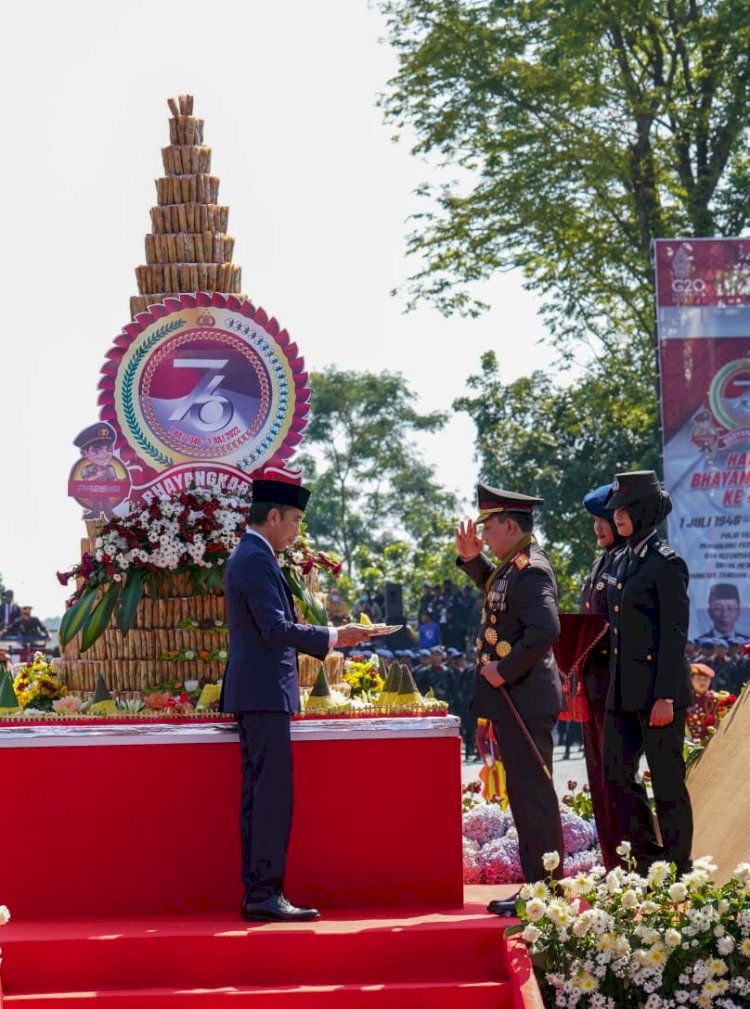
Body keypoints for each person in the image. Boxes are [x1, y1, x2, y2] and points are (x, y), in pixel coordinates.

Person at [220, 478, 373, 923]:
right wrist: (334, 636)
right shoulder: (253, 559)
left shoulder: (255, 556)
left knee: (263, 795)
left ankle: (262, 890)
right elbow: (274, 629)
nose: (296, 532)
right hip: (263, 695)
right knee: (270, 797)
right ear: (272, 517)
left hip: (261, 694)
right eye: (294, 521)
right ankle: (265, 892)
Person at [456, 483, 564, 915]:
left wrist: (503, 669)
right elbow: (499, 595)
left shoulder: (532, 568)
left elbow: (545, 630)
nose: (486, 534)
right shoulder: (512, 567)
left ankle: (545, 892)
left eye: (489, 527)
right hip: (515, 700)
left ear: (509, 525)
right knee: (523, 793)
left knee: (533, 794)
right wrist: (471, 559)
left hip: (525, 698)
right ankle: (538, 887)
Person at [603, 470, 693, 875]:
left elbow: (674, 636)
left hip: (658, 693)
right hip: (623, 691)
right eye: (616, 510)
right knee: (617, 774)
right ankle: (646, 855)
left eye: (625, 509)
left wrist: (666, 697)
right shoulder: (621, 559)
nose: (617, 516)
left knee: (667, 780)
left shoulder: (666, 564)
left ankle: (678, 862)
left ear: (643, 511)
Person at [576, 483, 624, 870]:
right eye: (594, 521)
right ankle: (611, 864)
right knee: (597, 779)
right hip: (592, 687)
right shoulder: (600, 565)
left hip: (615, 686)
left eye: (603, 520)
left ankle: (627, 865)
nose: (598, 528)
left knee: (617, 782)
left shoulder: (626, 562)